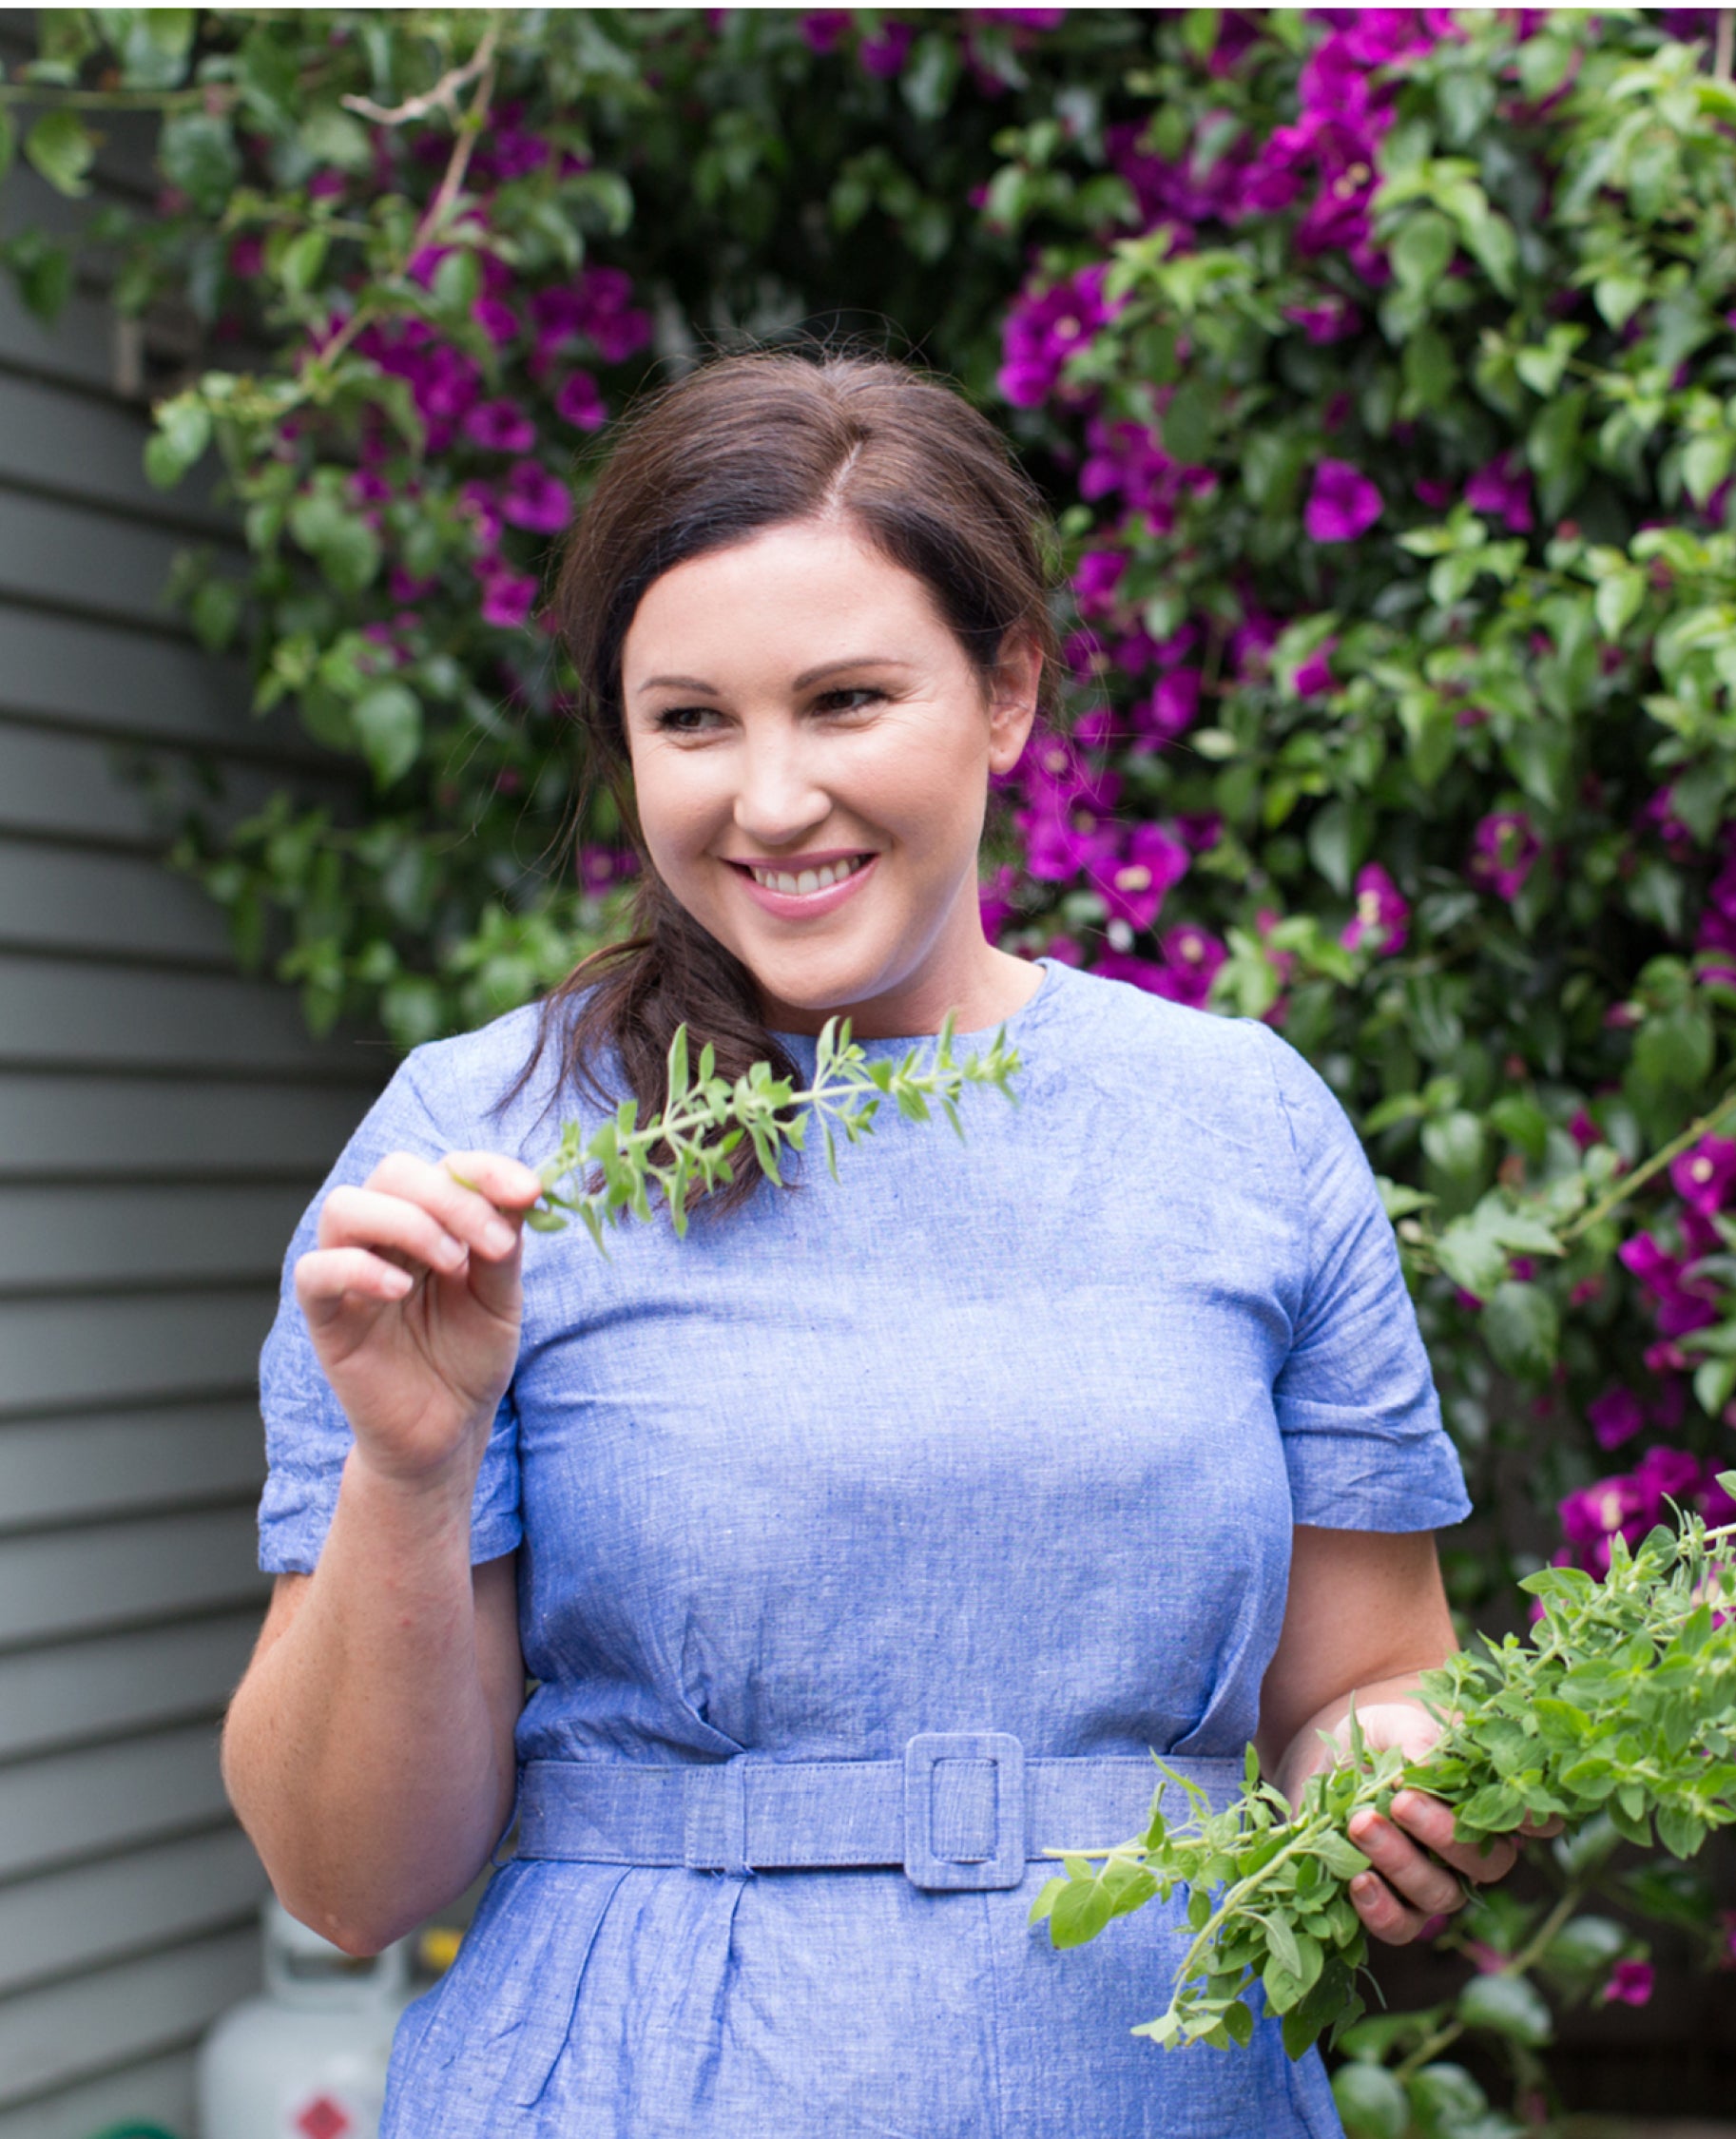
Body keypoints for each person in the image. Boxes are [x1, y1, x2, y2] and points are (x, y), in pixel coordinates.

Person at [222, 348, 1520, 2138]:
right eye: (692, 720)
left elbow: (1368, 1676)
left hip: (1149, 2085)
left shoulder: (1239, 1121)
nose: (768, 799)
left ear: (1007, 689)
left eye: (844, 701)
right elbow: (349, 1878)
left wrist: (1402, 1783)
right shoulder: (480, 1153)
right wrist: (411, 1468)